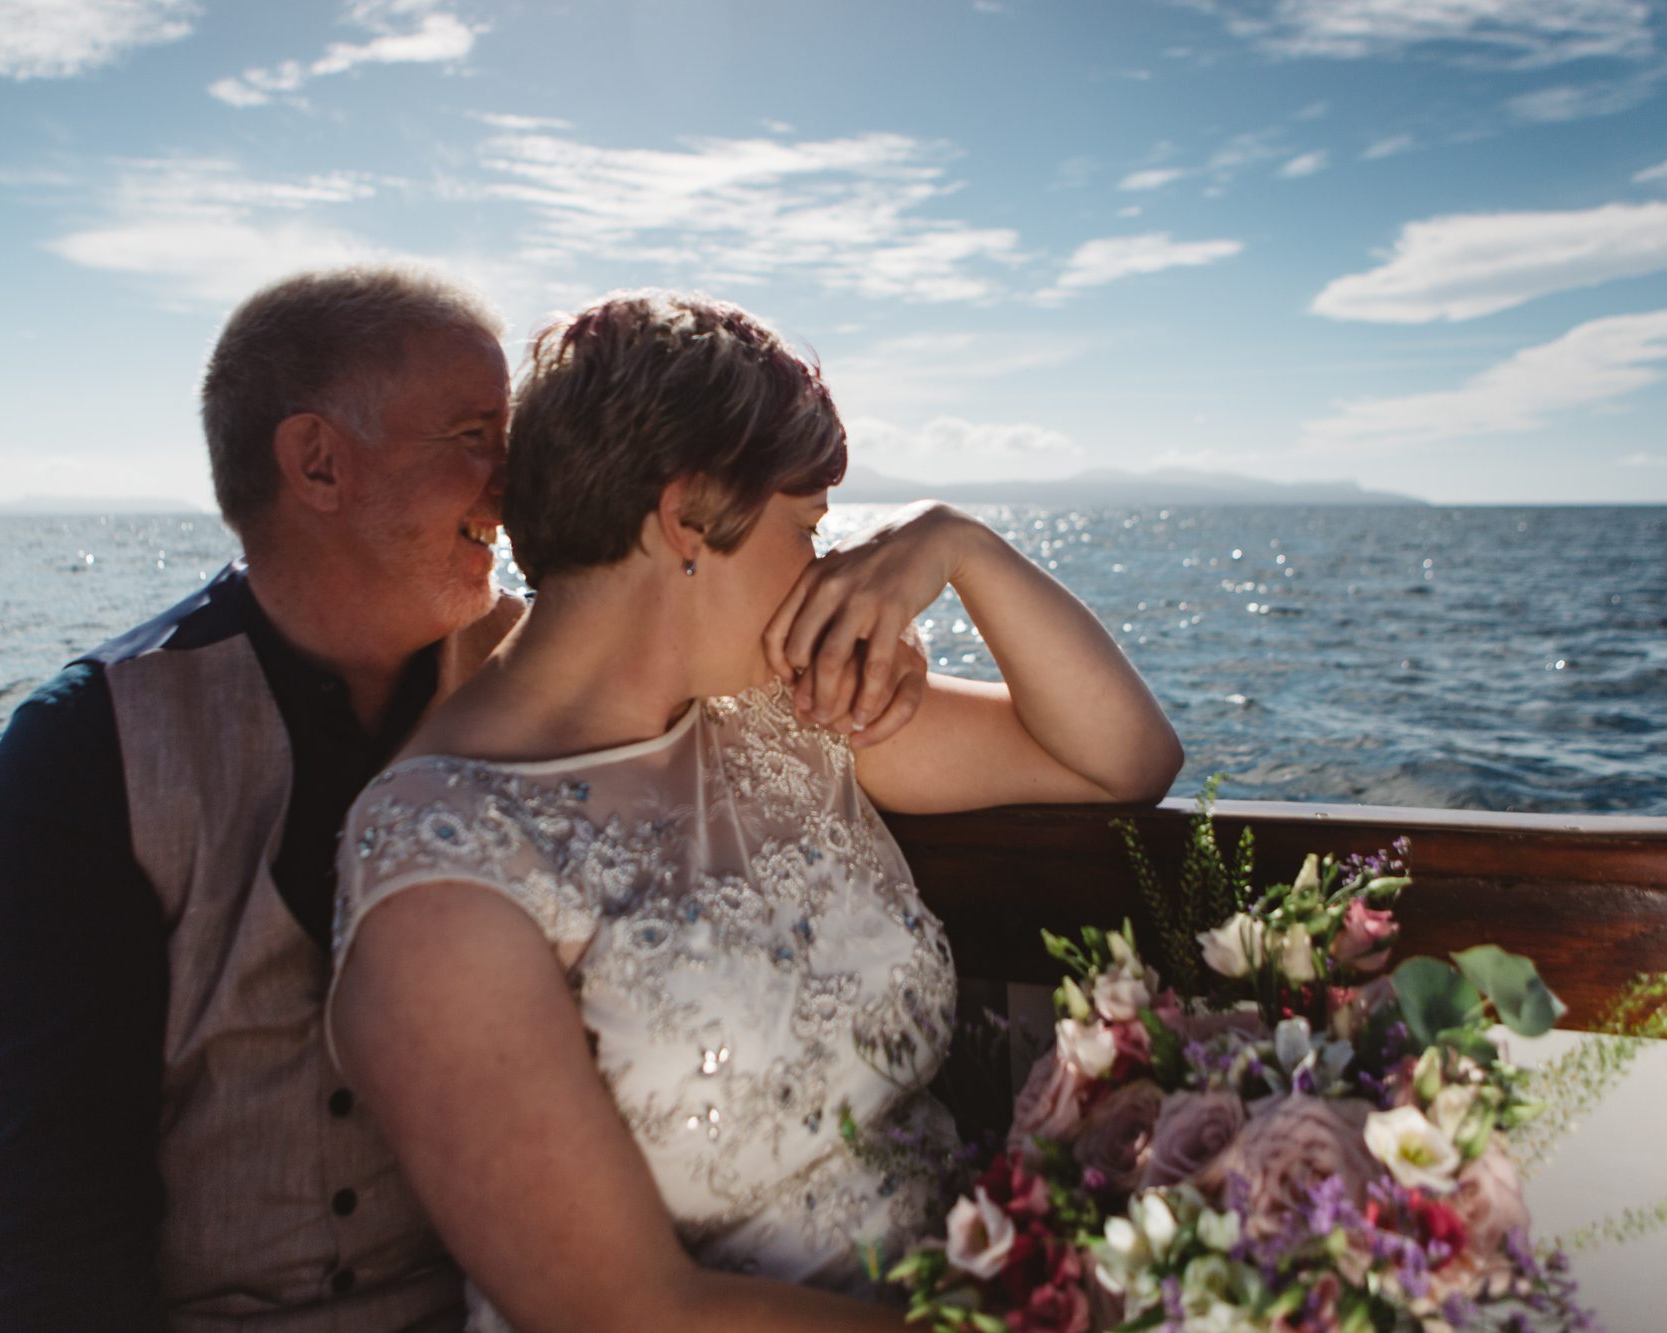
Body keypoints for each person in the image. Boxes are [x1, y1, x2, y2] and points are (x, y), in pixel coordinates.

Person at [0, 267, 930, 1331]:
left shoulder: (559, 685)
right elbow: (49, 1237)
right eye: (474, 436)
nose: (512, 485)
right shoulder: (89, 750)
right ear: (318, 463)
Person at [328, 291, 1185, 1331]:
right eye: (807, 526)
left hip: (981, 1279)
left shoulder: (789, 711)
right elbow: (623, 1309)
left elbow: (1121, 760)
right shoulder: (445, 857)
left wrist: (957, 547)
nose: (826, 567)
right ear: (687, 514)